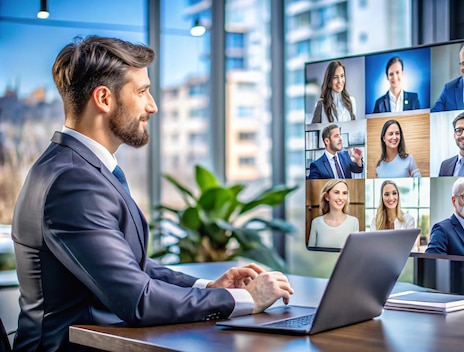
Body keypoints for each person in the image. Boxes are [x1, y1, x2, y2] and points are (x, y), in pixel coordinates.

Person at [10, 36, 294, 351]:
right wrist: (245, 298)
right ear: (104, 98)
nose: (152, 106)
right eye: (142, 91)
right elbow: (137, 299)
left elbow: (131, 266)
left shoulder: (75, 167)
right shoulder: (74, 181)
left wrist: (208, 287)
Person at [308, 179, 360, 248]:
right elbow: (310, 254)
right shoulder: (316, 223)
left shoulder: (354, 222)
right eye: (336, 192)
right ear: (327, 197)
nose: (341, 198)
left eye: (344, 193)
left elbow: (355, 253)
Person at [370, 180, 418, 251]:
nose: (391, 198)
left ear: (398, 195)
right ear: (382, 198)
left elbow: (411, 248)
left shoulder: (409, 220)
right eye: (386, 194)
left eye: (394, 193)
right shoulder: (375, 220)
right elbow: (373, 247)